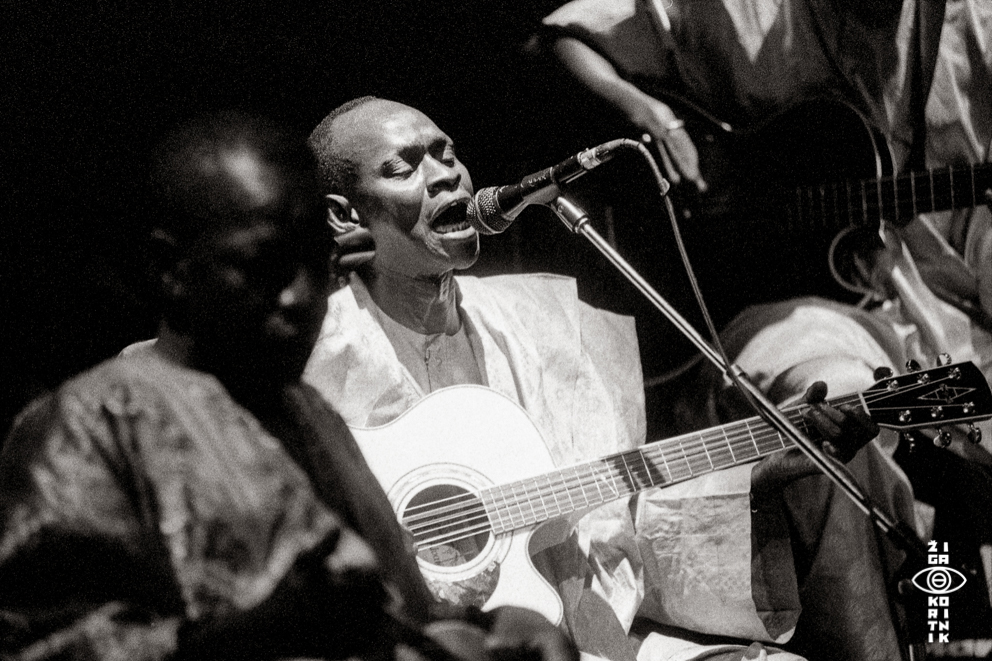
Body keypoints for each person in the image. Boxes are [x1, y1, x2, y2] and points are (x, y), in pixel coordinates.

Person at [303, 97, 886, 661]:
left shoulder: (540, 327)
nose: (445, 177)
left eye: (447, 154)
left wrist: (758, 478)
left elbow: (615, 519)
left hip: (592, 633)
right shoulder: (313, 359)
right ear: (344, 215)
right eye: (404, 168)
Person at [0, 111, 577, 661]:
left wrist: (494, 628)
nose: (301, 297)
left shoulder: (304, 411)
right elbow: (38, 646)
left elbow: (393, 612)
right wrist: (253, 635)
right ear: (168, 268)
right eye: (264, 267)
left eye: (314, 264)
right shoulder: (93, 421)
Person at [539, 0, 992, 655]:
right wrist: (644, 112)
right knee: (838, 404)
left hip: (949, 316)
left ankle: (952, 627)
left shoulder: (972, 22)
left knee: (944, 425)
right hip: (796, 312)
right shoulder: (744, 10)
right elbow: (566, 34)